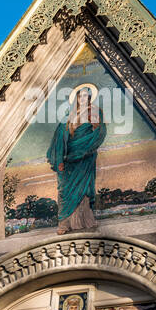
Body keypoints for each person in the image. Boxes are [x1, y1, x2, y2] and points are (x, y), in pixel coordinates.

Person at [47, 85, 106, 233]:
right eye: (80, 96)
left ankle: (84, 220)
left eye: (86, 95)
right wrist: (60, 158)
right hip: (69, 158)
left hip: (85, 157)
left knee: (83, 189)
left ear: (90, 97)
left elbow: (99, 132)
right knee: (65, 189)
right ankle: (64, 224)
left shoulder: (95, 111)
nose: (83, 98)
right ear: (77, 99)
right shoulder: (70, 113)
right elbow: (60, 135)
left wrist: (88, 145)